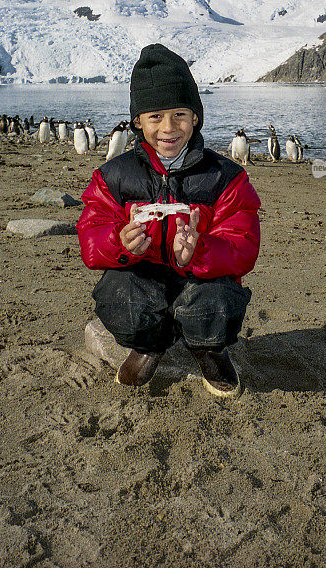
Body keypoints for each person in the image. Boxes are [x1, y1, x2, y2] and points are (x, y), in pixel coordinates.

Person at [77, 44, 260, 398]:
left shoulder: (225, 177)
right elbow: (91, 235)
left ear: (195, 118)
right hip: (146, 277)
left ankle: (209, 349)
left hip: (200, 278)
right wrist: (119, 242)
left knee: (216, 300)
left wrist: (200, 250)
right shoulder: (114, 176)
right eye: (155, 116)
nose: (169, 127)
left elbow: (243, 244)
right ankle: (150, 344)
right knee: (120, 294)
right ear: (137, 122)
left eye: (179, 114)